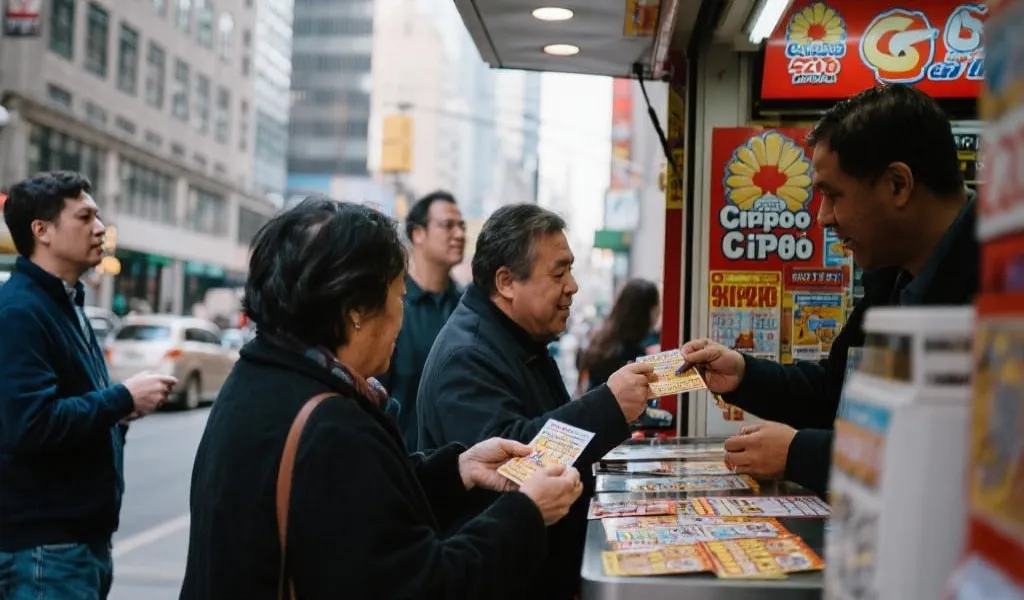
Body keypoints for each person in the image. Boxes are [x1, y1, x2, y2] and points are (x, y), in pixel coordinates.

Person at [179, 197, 583, 599]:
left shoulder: (259, 379)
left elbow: (352, 511)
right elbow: (423, 585)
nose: (401, 315)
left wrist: (456, 469)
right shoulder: (330, 425)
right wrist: (527, 513)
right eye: (398, 295)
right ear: (357, 309)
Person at [679, 84, 978, 497]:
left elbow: (969, 460)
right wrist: (745, 375)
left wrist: (802, 454)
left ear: (897, 185)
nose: (822, 218)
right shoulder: (895, 279)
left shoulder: (1004, 290)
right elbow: (836, 394)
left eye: (833, 195)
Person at [416, 203, 655, 599]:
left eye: (571, 271)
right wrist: (609, 404)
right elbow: (514, 459)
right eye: (558, 274)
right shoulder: (467, 356)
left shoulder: (521, 338)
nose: (572, 286)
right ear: (507, 282)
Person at [0, 171, 175, 599]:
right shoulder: (21, 312)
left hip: (77, 544)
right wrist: (122, 398)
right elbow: (32, 423)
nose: (100, 228)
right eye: (84, 217)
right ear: (41, 231)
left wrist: (121, 414)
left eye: (97, 216)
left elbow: (71, 408)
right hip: (45, 551)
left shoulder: (66, 303)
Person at [378, 191, 465, 451]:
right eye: (448, 225)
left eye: (461, 226)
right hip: (404, 459)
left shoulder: (467, 308)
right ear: (418, 233)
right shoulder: (391, 305)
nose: (460, 234)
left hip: (462, 461)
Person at [577, 278, 660, 393]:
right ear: (647, 310)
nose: (659, 311)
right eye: (657, 305)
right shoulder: (630, 352)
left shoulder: (602, 340)